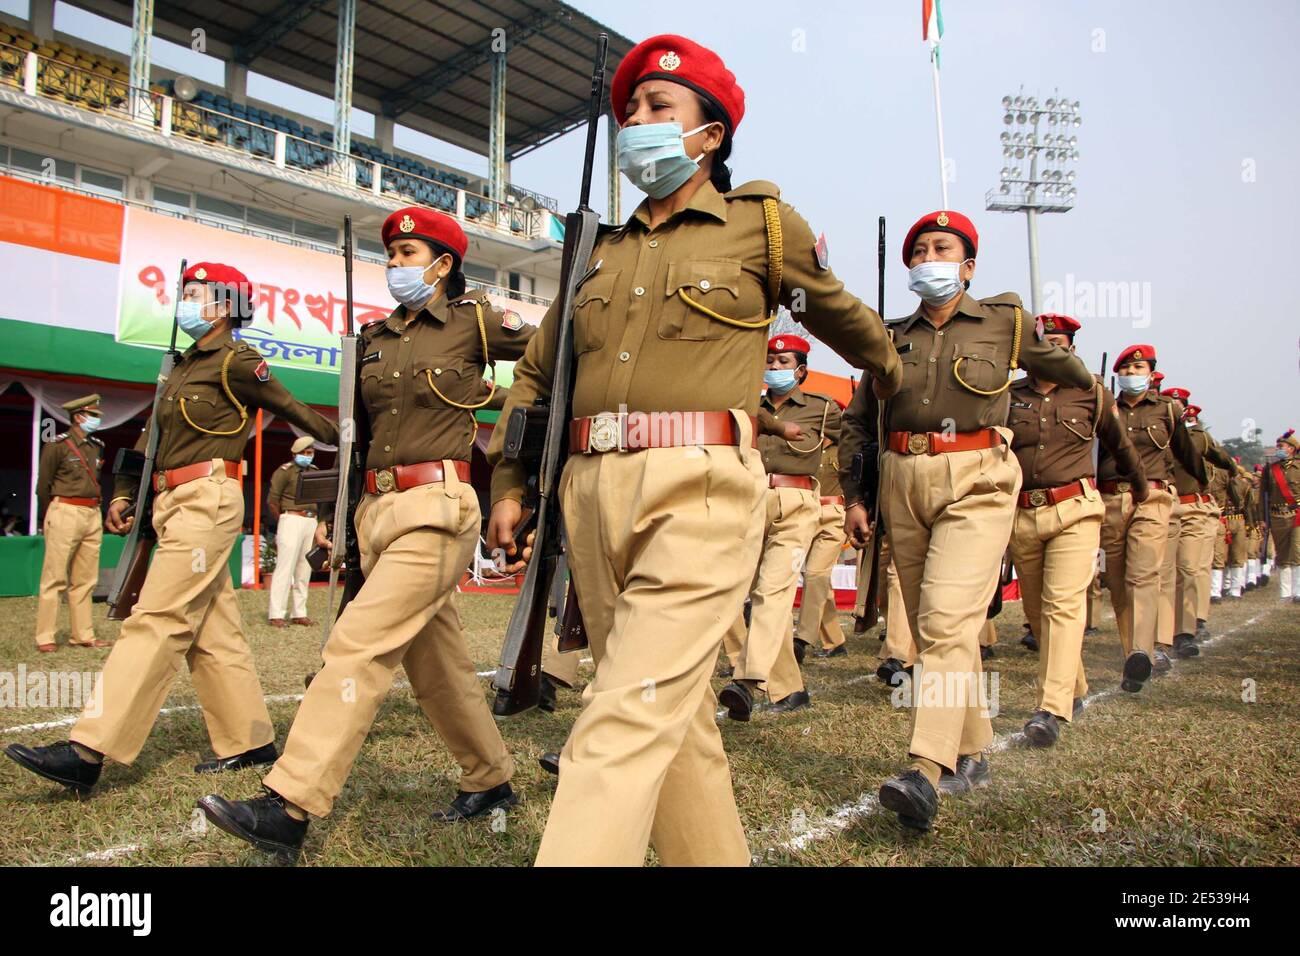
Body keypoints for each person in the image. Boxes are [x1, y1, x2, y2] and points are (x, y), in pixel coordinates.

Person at [485, 34, 900, 866]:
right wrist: (509, 482)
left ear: (709, 134)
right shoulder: (597, 250)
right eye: (631, 108)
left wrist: (893, 375)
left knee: (623, 712)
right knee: (674, 725)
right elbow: (537, 375)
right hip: (590, 489)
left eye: (658, 108)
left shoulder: (762, 226)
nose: (637, 121)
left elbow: (844, 317)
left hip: (700, 488)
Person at [197, 208, 533, 862]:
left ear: (442, 264)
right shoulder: (372, 340)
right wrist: (342, 521)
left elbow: (552, 351)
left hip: (437, 504)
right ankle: (490, 777)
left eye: (410, 252)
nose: (397, 264)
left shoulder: (474, 322)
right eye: (393, 253)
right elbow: (355, 437)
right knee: (436, 665)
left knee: (355, 647)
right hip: (376, 511)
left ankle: (290, 804)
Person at [5, 262, 338, 795]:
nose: (183, 301)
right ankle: (249, 741)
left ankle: (89, 749)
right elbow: (149, 438)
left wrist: (350, 436)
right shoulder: (178, 366)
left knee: (156, 618)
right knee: (212, 628)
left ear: (225, 304)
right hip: (168, 498)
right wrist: (123, 492)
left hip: (209, 497)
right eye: (183, 292)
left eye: (194, 293)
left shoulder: (237, 361)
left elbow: (294, 408)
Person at [842, 210, 1094, 830]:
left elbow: (1072, 375)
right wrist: (855, 494)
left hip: (978, 477)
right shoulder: (888, 336)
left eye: (942, 247)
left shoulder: (1006, 324)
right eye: (920, 250)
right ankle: (974, 747)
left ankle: (925, 767)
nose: (929, 257)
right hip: (903, 480)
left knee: (946, 618)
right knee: (938, 628)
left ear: (968, 265)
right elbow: (855, 423)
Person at [1005, 314, 1145, 747]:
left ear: (1071, 349)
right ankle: (1075, 686)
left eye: (1060, 344)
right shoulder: (1007, 395)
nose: (1052, 350)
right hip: (1023, 513)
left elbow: (1120, 444)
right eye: (1043, 343)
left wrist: (1140, 487)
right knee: (1036, 614)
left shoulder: (1091, 393)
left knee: (1063, 604)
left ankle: (1050, 708)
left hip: (1077, 509)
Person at [719, 334, 842, 719]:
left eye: (783, 361)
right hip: (748, 501)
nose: (774, 368)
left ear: (801, 370)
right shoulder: (746, 408)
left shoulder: (823, 410)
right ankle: (789, 688)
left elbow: (856, 439)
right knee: (730, 591)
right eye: (769, 362)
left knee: (772, 592)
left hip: (797, 504)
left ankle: (748, 679)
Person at [1097, 345, 1204, 694]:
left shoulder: (1167, 410)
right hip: (1111, 498)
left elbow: (1188, 454)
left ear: (1151, 370)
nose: (1132, 373)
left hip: (1152, 499)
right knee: (1117, 581)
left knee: (1142, 575)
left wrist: (1200, 485)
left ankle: (1143, 649)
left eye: (1138, 367)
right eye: (1126, 369)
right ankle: (1133, 656)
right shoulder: (1103, 406)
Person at [33, 393, 107, 652]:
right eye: (94, 415)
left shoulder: (96, 445)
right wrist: (49, 514)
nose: (97, 420)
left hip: (91, 513)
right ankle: (45, 637)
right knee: (54, 578)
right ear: (79, 416)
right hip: (64, 509)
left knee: (85, 579)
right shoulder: (58, 445)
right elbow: (43, 485)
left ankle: (83, 634)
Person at [1164, 397, 1234, 647]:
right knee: (1166, 572)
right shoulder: (1158, 431)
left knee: (1189, 568)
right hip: (1163, 506)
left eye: (1178, 404)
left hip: (1193, 507)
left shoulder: (1196, 437)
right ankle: (1165, 628)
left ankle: (1188, 628)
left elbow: (1224, 461)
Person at [803, 401, 851, 660]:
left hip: (836, 515)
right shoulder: (810, 446)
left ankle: (804, 638)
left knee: (815, 574)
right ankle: (834, 640)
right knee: (819, 580)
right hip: (808, 513)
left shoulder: (846, 449)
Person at [266, 435, 323, 628]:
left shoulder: (314, 471)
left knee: (304, 568)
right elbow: (273, 500)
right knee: (285, 567)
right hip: (291, 517)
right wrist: (283, 519)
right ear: (295, 453)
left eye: (311, 452)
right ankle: (276, 613)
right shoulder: (285, 471)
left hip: (310, 520)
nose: (309, 456)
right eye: (305, 453)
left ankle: (299, 611)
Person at [1265, 429, 1300, 602]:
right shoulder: (1270, 469)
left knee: (1298, 552)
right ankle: (1285, 593)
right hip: (1277, 516)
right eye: (1278, 445)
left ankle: (1298, 591)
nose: (1278, 448)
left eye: (1282, 445)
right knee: (1283, 554)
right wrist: (1262, 519)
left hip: (1297, 515)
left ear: (1292, 448)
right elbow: (1263, 495)